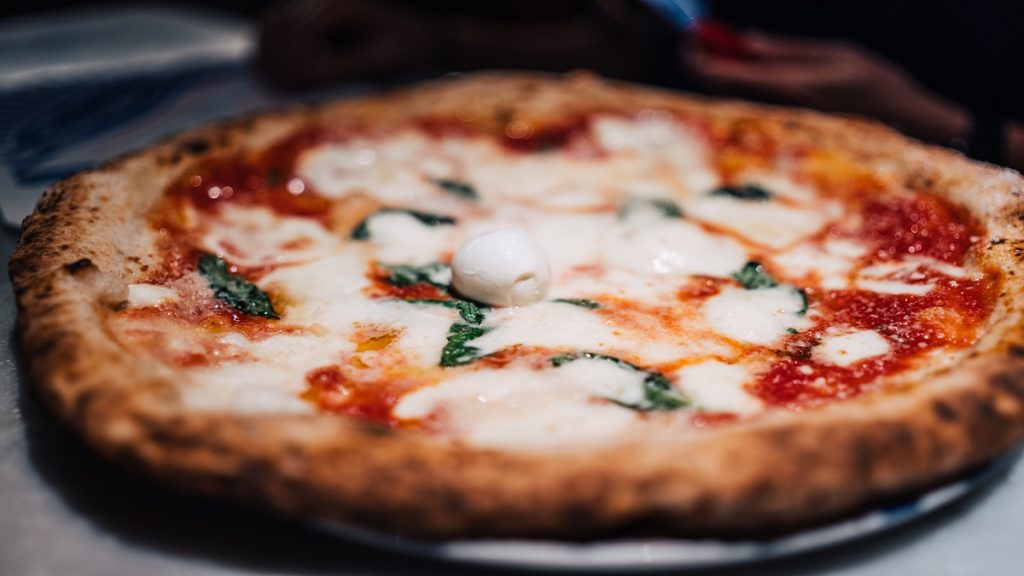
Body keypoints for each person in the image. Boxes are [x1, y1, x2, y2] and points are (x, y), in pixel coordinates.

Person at [259, 0, 1024, 171]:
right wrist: (445, 39)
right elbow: (675, 37)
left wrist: (945, 124)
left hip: (921, 199)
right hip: (677, 157)